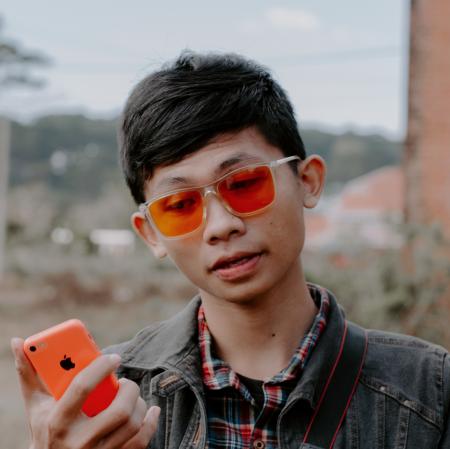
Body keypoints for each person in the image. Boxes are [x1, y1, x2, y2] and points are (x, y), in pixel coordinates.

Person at [11, 50, 450, 449]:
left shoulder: (430, 391)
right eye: (180, 205)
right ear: (150, 234)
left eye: (244, 183)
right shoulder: (110, 402)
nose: (221, 225)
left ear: (308, 182)